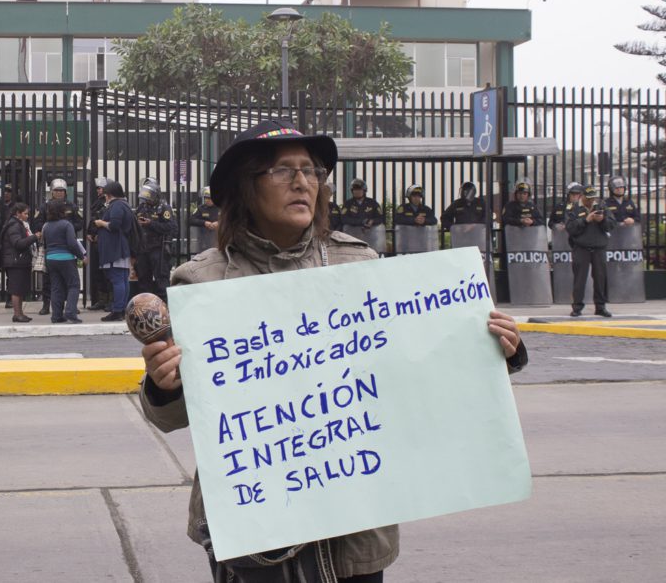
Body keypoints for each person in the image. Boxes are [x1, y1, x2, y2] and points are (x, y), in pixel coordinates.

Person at [138, 117, 528, 583]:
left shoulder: (358, 263)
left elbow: (411, 368)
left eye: (312, 171)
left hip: (356, 530)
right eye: (283, 170)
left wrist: (495, 350)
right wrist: (162, 385)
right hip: (257, 531)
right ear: (246, 187)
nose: (303, 182)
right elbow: (175, 416)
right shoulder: (199, 282)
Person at [33, 178, 84, 315]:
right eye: (57, 190)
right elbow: (37, 223)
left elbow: (80, 223)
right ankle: (45, 305)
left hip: (68, 247)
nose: (59, 193)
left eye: (62, 190)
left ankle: (71, 305)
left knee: (69, 279)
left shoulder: (72, 206)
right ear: (52, 192)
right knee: (48, 280)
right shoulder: (44, 206)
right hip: (50, 246)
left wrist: (67, 229)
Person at [566, 184, 615, 318]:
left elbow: (611, 224)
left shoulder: (602, 206)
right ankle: (577, 307)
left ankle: (600, 306)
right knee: (579, 279)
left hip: (599, 247)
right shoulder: (574, 208)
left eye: (593, 198)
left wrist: (602, 219)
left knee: (600, 278)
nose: (591, 201)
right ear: (582, 196)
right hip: (581, 247)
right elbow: (570, 228)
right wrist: (585, 220)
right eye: (588, 198)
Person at [92, 180, 132, 322]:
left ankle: (117, 310)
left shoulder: (117, 206)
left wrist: (101, 223)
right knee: (121, 279)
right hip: (119, 247)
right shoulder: (123, 205)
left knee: (117, 279)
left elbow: (114, 225)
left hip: (115, 248)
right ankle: (121, 309)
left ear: (110, 195)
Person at [42, 200, 87, 323]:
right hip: (66, 258)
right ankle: (70, 312)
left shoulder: (46, 226)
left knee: (56, 287)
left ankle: (56, 316)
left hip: (50, 258)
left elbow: (44, 243)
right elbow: (72, 244)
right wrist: (82, 256)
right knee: (74, 285)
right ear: (62, 211)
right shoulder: (66, 225)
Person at [133, 178, 177, 302]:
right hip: (143, 249)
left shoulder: (164, 208)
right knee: (143, 279)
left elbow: (172, 228)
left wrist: (151, 224)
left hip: (159, 249)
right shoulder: (142, 207)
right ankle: (145, 307)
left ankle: (165, 307)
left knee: (161, 280)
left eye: (150, 197)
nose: (148, 200)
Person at [0, 202, 41, 323]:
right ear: (18, 213)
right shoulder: (14, 226)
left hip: (20, 261)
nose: (27, 216)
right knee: (16, 289)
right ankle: (17, 314)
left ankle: (20, 313)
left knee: (20, 288)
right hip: (15, 261)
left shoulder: (19, 224)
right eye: (25, 214)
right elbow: (18, 243)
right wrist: (35, 237)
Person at [86, 177, 111, 311]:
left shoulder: (109, 203)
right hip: (96, 241)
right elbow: (93, 221)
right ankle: (101, 300)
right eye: (97, 188)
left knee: (107, 272)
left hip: (105, 241)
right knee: (98, 272)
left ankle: (109, 301)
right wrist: (89, 233)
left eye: (101, 188)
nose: (99, 190)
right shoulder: (97, 203)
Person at [188, 185, 220, 252]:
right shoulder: (201, 208)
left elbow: (231, 221)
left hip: (218, 241)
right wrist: (204, 223)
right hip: (204, 242)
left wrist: (219, 223)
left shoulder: (221, 208)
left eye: (209, 198)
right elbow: (191, 220)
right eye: (205, 198)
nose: (207, 200)